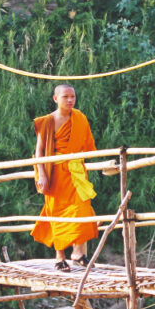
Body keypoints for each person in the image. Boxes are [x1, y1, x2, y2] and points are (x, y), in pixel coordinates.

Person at [31, 84, 98, 272]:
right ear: (55, 99)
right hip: (55, 174)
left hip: (76, 171)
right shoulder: (47, 121)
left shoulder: (80, 118)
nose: (70, 100)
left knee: (82, 208)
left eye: (73, 96)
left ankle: (78, 253)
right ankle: (59, 257)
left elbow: (88, 145)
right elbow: (39, 150)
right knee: (57, 213)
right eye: (65, 97)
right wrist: (42, 174)